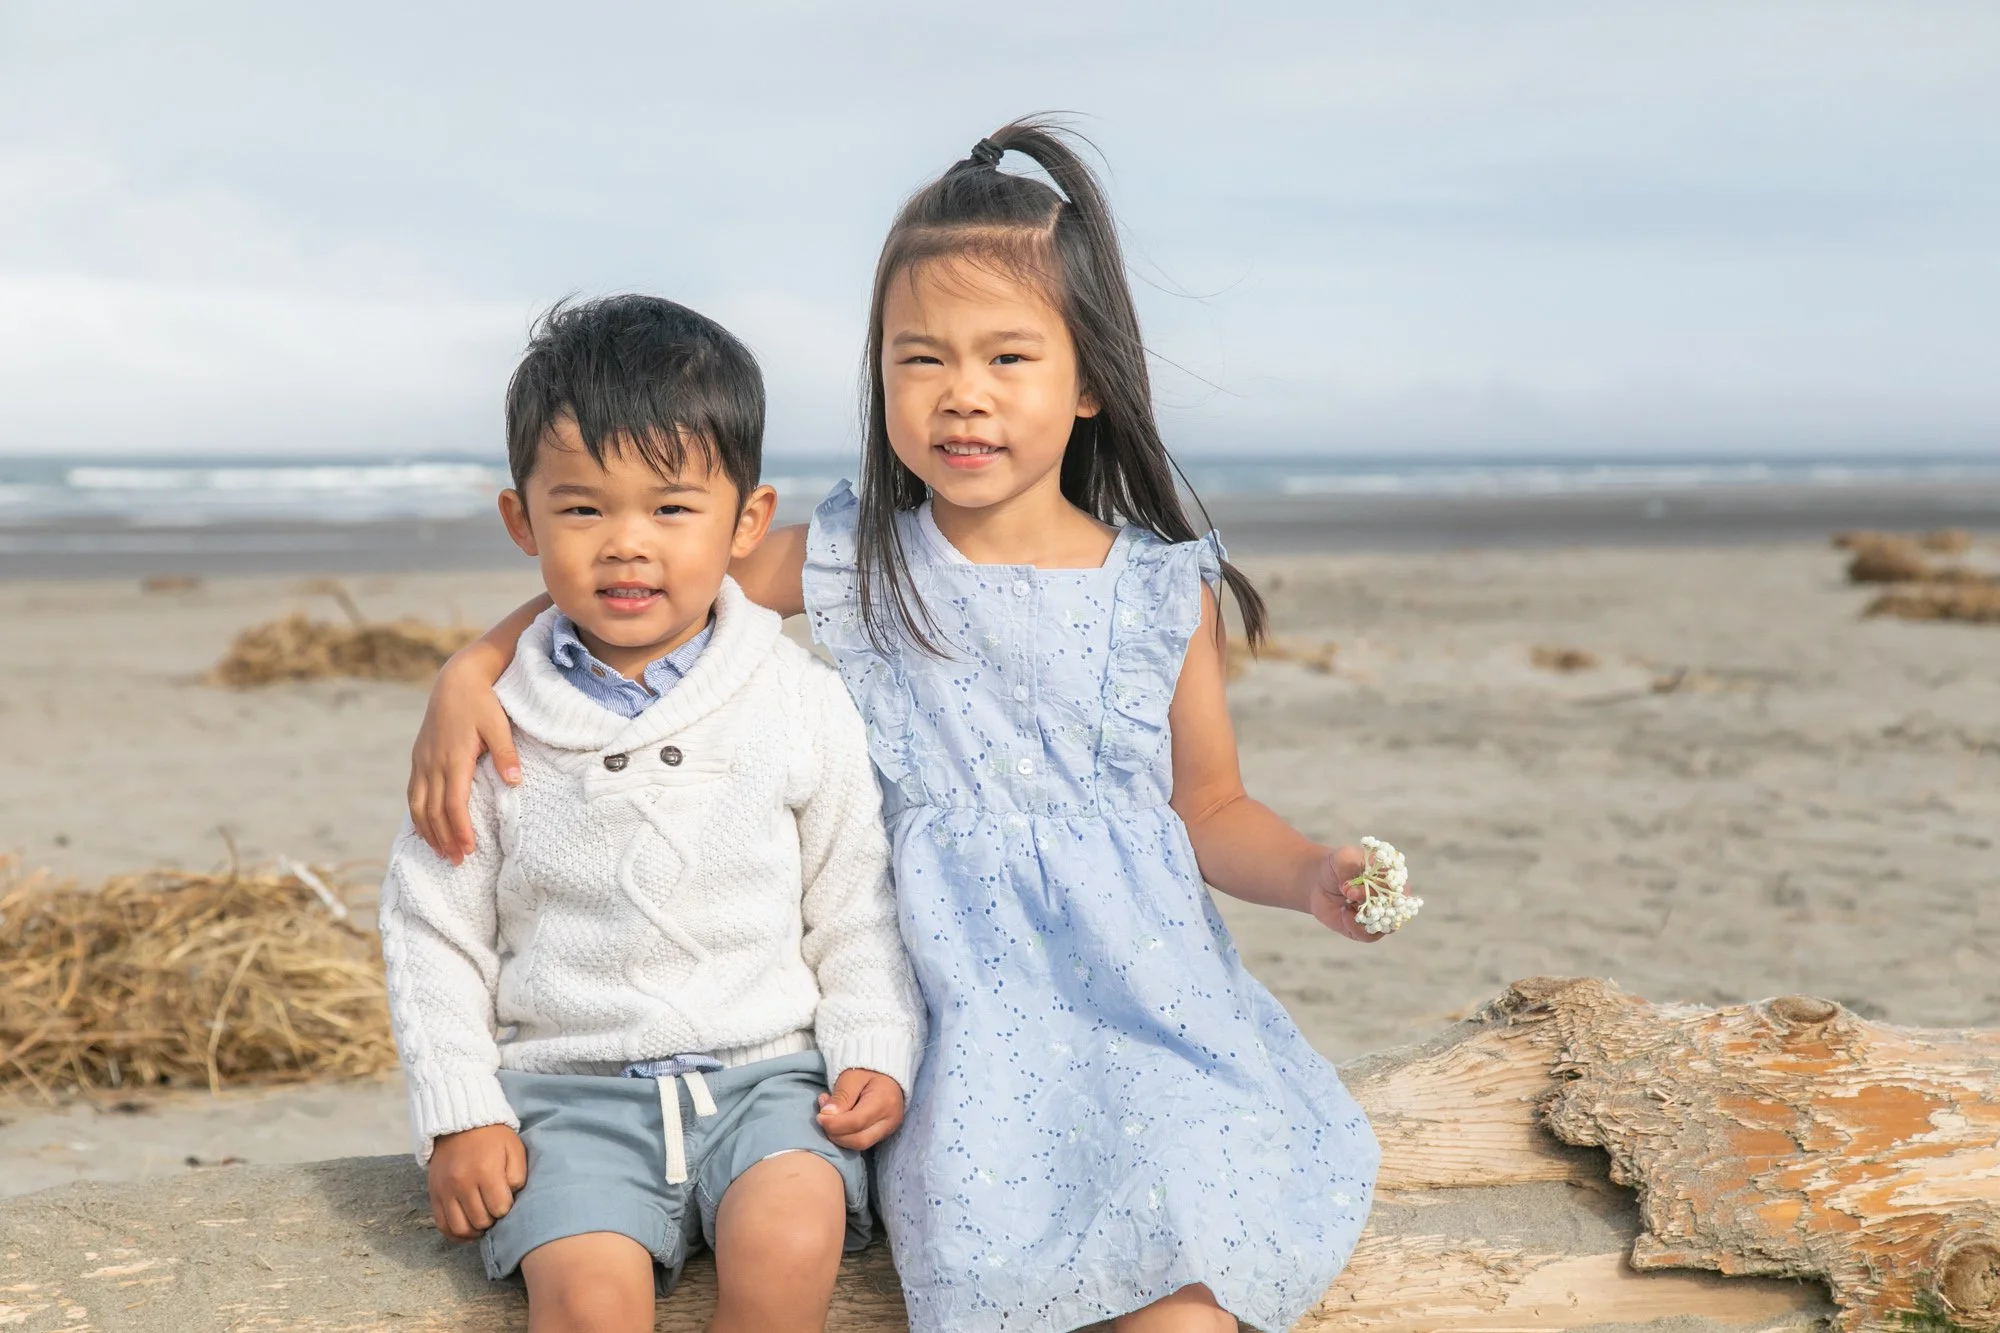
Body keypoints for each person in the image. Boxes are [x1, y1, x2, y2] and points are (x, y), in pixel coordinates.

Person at [407, 120, 1389, 1333]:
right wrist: (475, 664)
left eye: (1007, 358)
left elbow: (1210, 811)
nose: (959, 395)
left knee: (1183, 1284)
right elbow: (648, 579)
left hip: (1146, 991)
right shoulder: (853, 556)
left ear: (1087, 382)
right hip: (941, 1005)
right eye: (918, 359)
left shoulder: (1153, 591)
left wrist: (1308, 874)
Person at [379, 294, 925, 1333]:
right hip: (570, 1100)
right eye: (583, 509)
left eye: (672, 509)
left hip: (770, 1082)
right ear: (521, 519)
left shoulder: (795, 696)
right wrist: (461, 1111)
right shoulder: (494, 725)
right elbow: (431, 928)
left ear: (745, 522)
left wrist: (868, 1047)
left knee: (793, 1237)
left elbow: (852, 895)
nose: (627, 545)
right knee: (588, 1301)